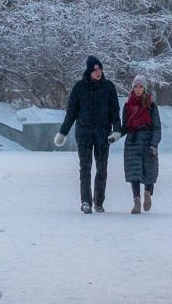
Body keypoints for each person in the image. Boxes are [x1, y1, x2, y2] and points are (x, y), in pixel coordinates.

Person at [54, 56, 121, 214]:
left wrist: (116, 130)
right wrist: (62, 133)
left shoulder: (109, 87)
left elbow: (115, 112)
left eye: (100, 69)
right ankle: (85, 201)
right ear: (89, 70)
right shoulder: (79, 87)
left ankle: (98, 202)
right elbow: (71, 113)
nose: (98, 72)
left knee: (102, 169)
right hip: (84, 134)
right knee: (85, 168)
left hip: (103, 134)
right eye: (95, 70)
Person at [121, 74, 162, 214]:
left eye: (140, 86)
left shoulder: (151, 106)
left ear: (144, 88)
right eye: (136, 86)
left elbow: (157, 127)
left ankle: (147, 194)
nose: (138, 89)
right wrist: (115, 135)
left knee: (149, 171)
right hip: (133, 141)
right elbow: (125, 125)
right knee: (134, 172)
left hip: (147, 140)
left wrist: (154, 144)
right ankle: (136, 200)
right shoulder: (128, 105)